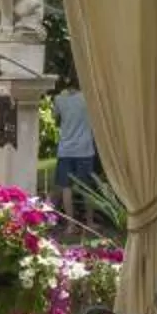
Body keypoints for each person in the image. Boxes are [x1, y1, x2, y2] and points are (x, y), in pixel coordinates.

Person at [51, 75, 99, 215]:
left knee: (66, 187)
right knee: (86, 188)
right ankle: (89, 222)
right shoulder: (88, 99)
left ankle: (70, 225)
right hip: (84, 150)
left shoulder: (59, 99)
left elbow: (55, 117)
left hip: (66, 149)